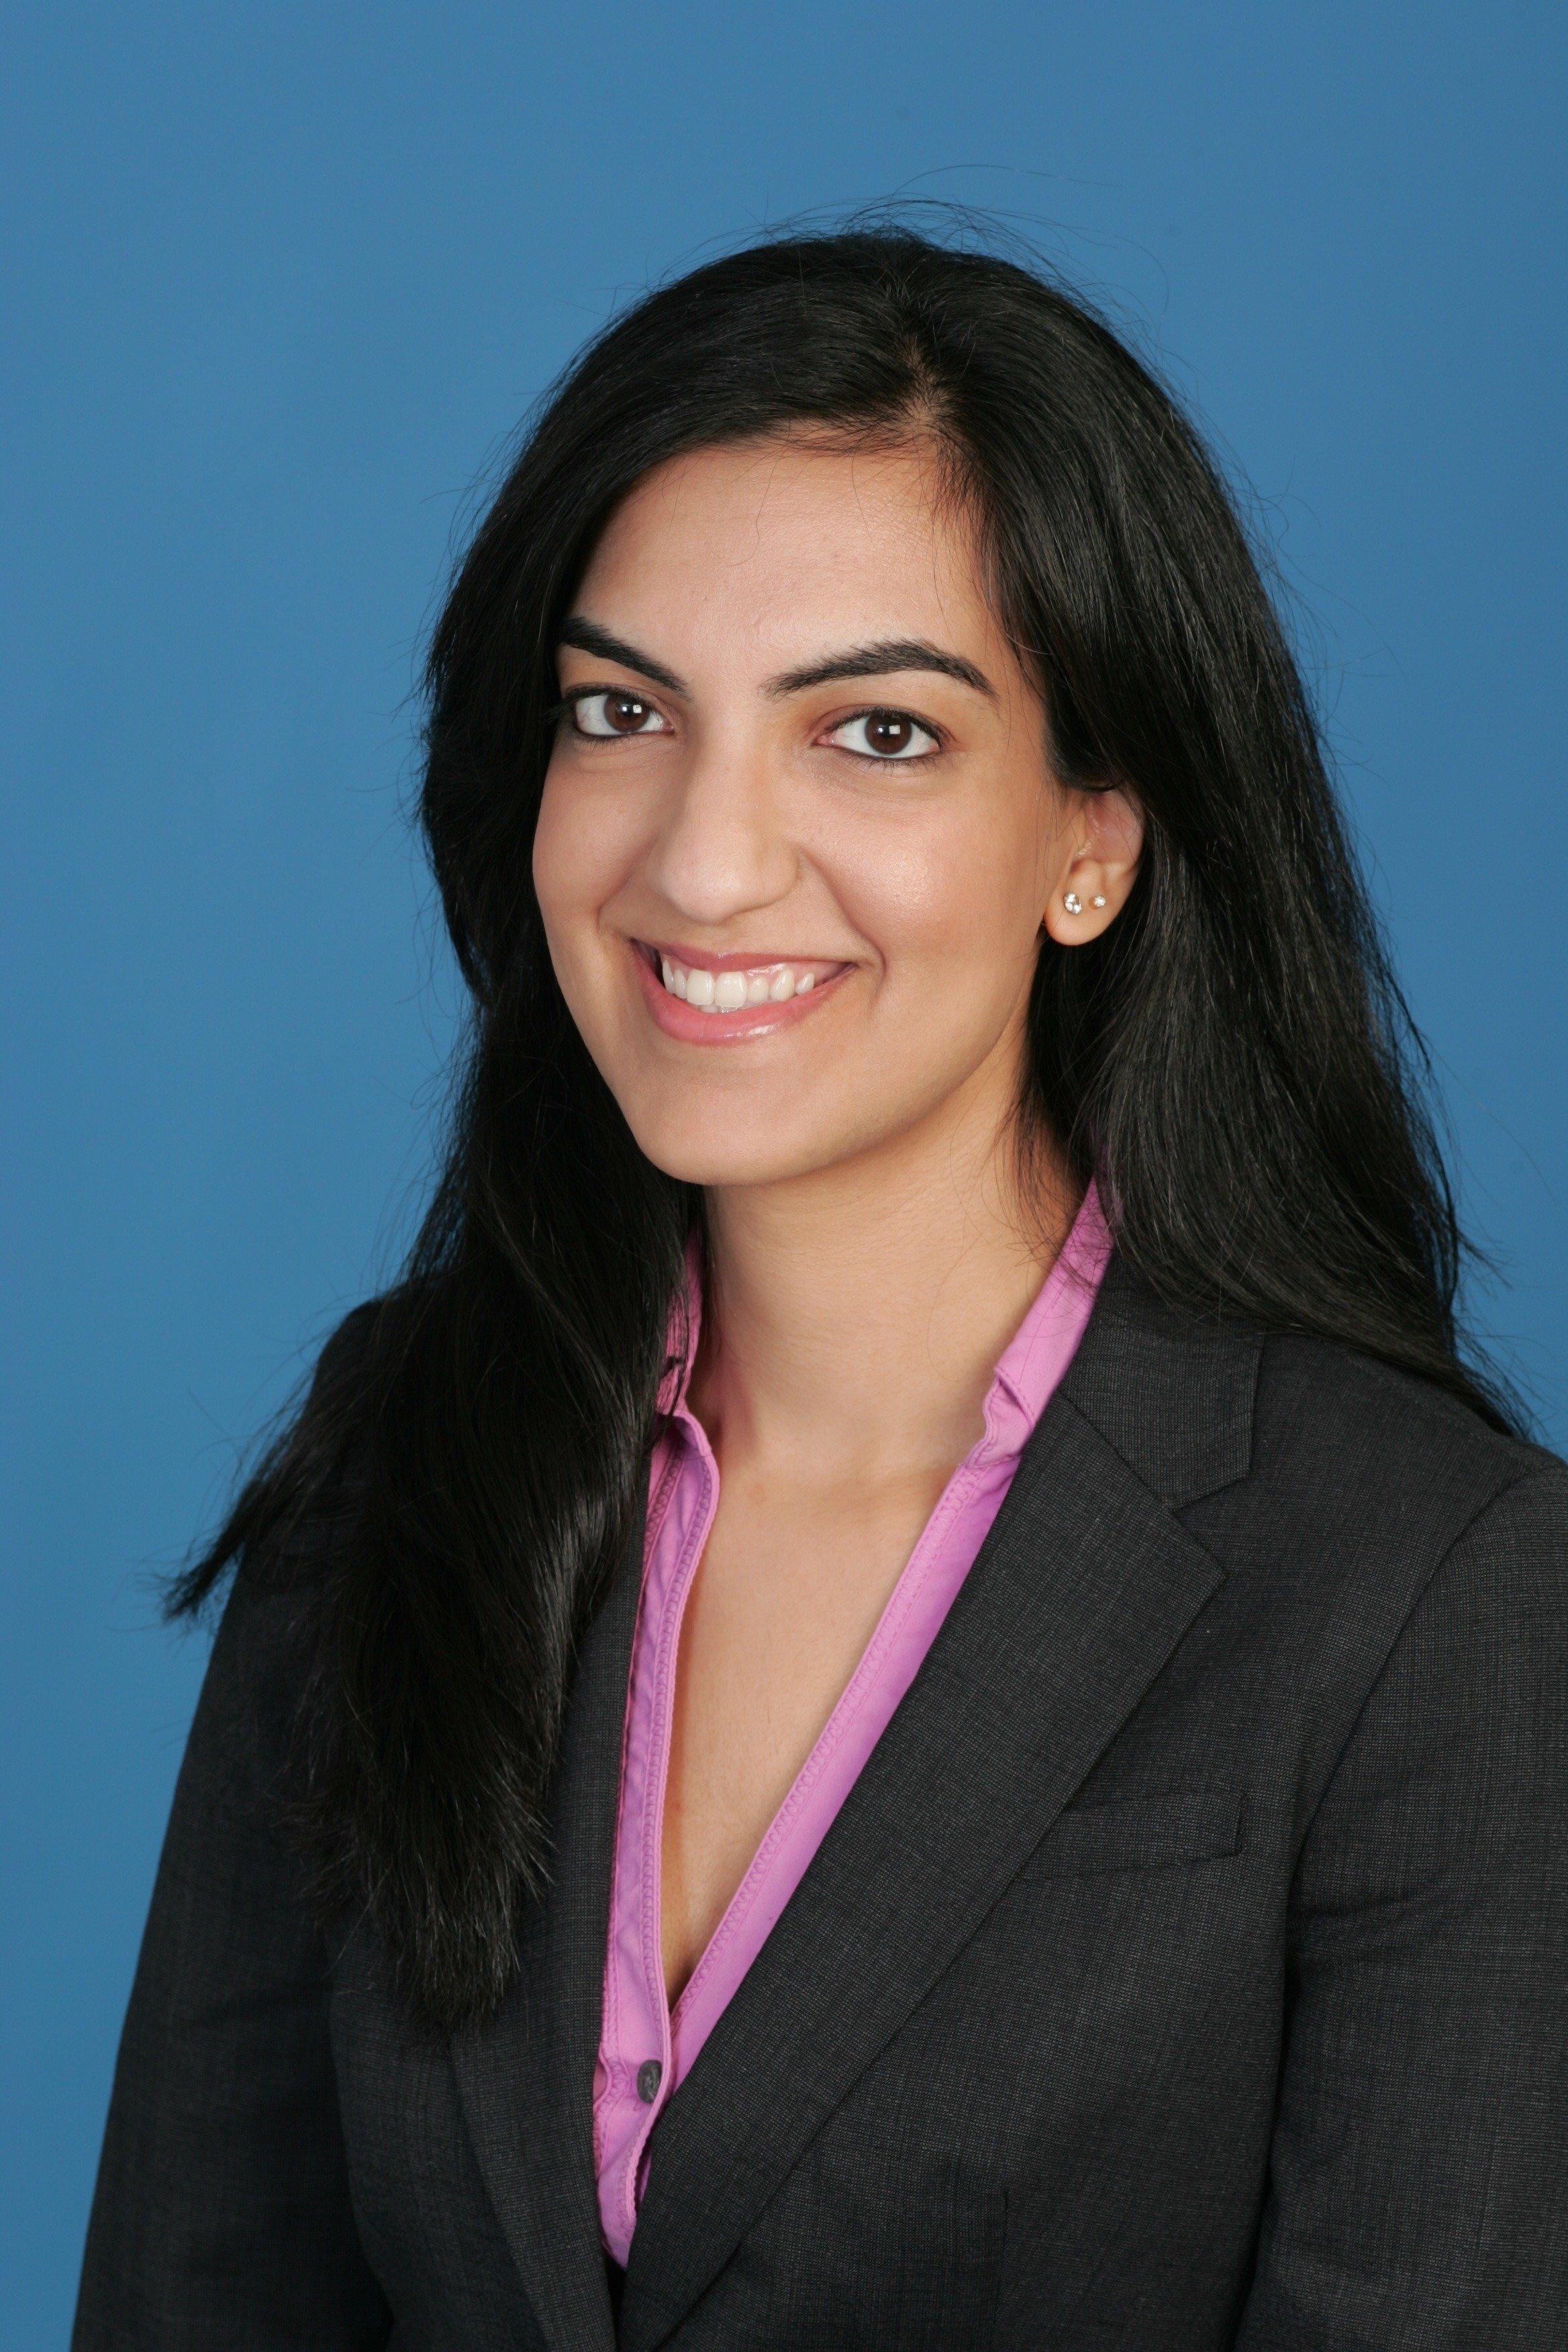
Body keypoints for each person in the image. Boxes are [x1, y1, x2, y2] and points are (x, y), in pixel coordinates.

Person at [74, 225, 1568, 2351]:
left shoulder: (1429, 1592)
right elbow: (188, 2299)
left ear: (1096, 842)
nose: (700, 861)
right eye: (623, 712)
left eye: (874, 732)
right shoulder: (406, 1456)